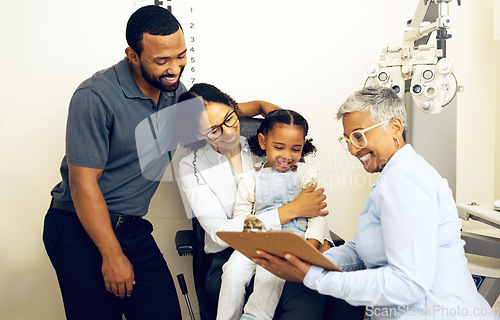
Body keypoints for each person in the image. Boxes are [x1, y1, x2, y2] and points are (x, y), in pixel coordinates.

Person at [253, 86, 499, 320]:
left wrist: (313, 276)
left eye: (358, 136)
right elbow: (359, 249)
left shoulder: (407, 181)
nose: (352, 149)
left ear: (394, 127)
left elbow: (408, 284)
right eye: (347, 139)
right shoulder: (390, 180)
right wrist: (313, 260)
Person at [45, 5, 197, 320]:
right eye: (162, 60)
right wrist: (112, 256)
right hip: (78, 227)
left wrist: (265, 111)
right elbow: (82, 184)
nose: (174, 68)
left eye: (180, 56)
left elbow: (209, 119)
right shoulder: (95, 96)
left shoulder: (172, 92)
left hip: (131, 228)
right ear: (132, 55)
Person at [176, 83, 365, 320]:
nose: (228, 132)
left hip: (291, 241)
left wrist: (320, 240)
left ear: (236, 110)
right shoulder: (191, 168)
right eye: (214, 130)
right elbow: (218, 231)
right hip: (231, 253)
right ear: (198, 134)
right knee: (291, 291)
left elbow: (308, 198)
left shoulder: (265, 146)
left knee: (335, 289)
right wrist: (284, 213)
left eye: (230, 118)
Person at [217, 109, 331, 320]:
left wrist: (312, 244)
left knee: (269, 274)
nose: (287, 156)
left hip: (291, 240)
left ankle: (254, 317)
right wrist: (253, 238)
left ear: (303, 145)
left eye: (296, 149)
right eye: (279, 147)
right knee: (232, 272)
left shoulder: (307, 175)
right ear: (263, 141)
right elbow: (241, 218)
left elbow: (318, 213)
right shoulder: (250, 179)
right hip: (256, 238)